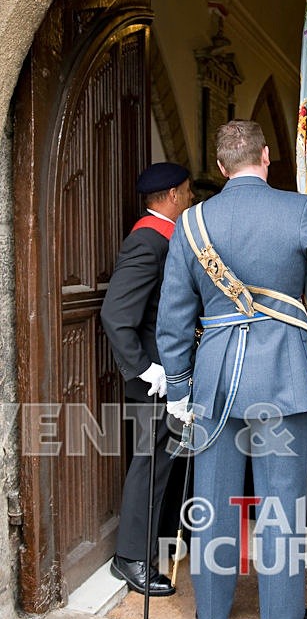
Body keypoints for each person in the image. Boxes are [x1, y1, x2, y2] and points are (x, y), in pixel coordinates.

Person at [156, 120, 307, 619]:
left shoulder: (191, 223)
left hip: (215, 382)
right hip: (284, 380)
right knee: (279, 508)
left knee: (212, 505)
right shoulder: (298, 211)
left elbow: (175, 318)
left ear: (223, 168)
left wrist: (180, 388)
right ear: (267, 157)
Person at [101, 162, 194, 596]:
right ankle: (131, 559)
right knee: (150, 464)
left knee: (165, 462)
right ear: (173, 194)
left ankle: (156, 544)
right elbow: (117, 314)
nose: (191, 198)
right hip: (153, 378)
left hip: (167, 372)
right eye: (188, 191)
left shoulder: (163, 236)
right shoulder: (147, 240)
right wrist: (143, 367)